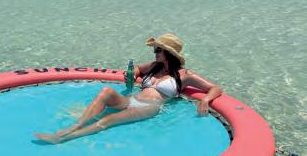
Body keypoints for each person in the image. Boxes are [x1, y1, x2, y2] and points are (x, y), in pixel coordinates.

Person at [34, 33, 222, 144]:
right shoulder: (154, 66)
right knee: (106, 92)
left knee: (108, 119)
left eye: (158, 50)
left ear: (168, 53)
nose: (154, 52)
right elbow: (137, 68)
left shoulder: (184, 75)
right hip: (132, 99)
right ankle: (75, 125)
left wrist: (205, 100)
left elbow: (215, 88)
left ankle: (62, 138)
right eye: (155, 49)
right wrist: (132, 74)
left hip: (150, 107)